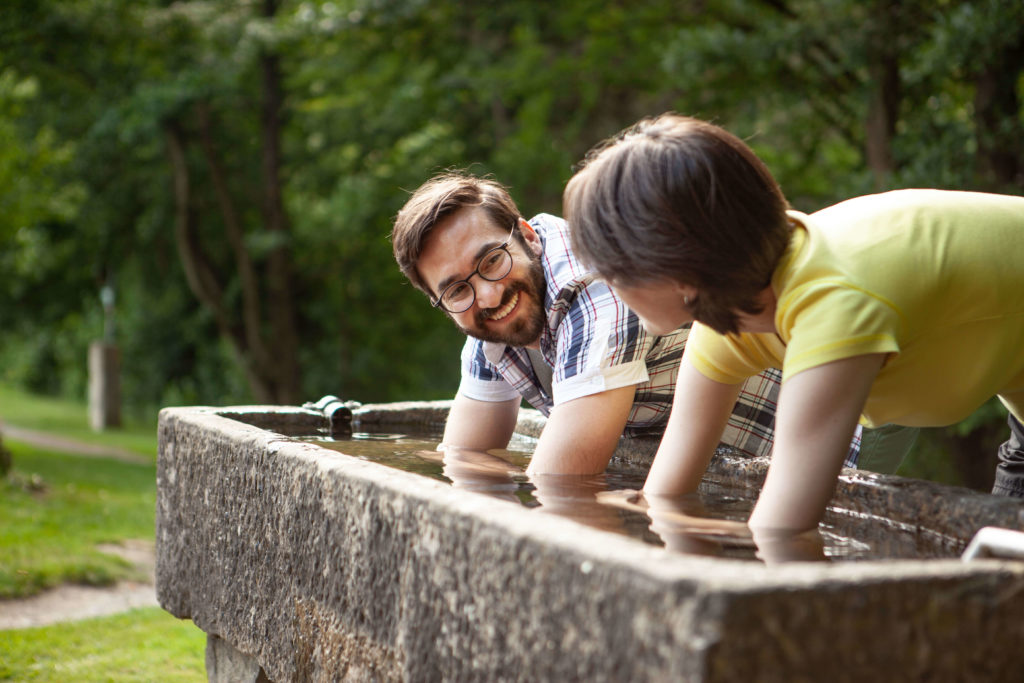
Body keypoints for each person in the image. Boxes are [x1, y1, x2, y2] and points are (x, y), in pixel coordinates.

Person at [563, 113, 1024, 536]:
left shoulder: (835, 305)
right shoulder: (727, 320)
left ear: (675, 272)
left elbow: (783, 524)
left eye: (612, 269)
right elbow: (667, 494)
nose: (604, 283)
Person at [390, 172, 796, 475]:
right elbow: (465, 459)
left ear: (528, 236)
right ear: (440, 303)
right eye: (458, 289)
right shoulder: (489, 316)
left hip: (784, 453)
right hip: (675, 469)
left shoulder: (601, 294)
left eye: (492, 260)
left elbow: (559, 483)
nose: (489, 295)